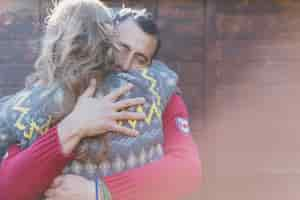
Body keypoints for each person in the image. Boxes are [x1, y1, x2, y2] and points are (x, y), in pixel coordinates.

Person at [0, 6, 201, 200]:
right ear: (103, 41)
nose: (126, 64)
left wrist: (100, 191)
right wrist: (73, 126)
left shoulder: (159, 92)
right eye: (122, 48)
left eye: (140, 59)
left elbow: (187, 170)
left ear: (150, 65)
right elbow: (7, 190)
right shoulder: (42, 101)